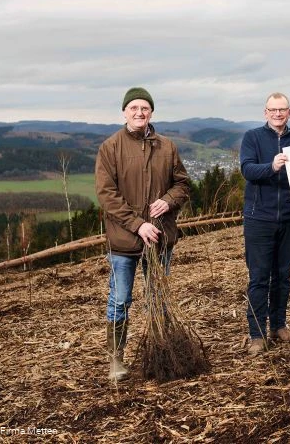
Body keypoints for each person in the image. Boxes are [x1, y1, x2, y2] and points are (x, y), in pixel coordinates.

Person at [95, 87, 190, 381]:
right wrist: (138, 224)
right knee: (120, 299)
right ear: (125, 112)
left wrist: (169, 200)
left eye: (145, 108)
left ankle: (161, 352)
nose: (139, 113)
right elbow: (107, 195)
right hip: (124, 241)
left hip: (159, 239)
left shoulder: (167, 147)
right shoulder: (110, 147)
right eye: (134, 108)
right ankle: (116, 360)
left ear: (151, 113)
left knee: (158, 298)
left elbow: (183, 184)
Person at [240, 92, 290, 356]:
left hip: (289, 218)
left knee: (283, 276)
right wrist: (272, 167)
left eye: (282, 110)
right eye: (273, 110)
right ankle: (256, 334)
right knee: (259, 278)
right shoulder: (252, 138)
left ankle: (278, 326)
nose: (277, 114)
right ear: (265, 112)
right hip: (259, 219)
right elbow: (247, 170)